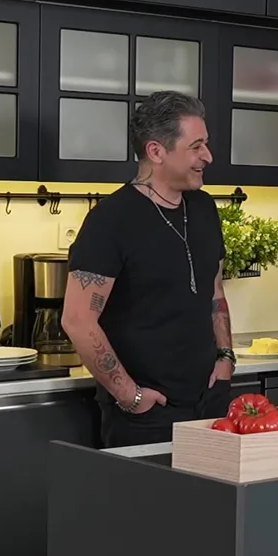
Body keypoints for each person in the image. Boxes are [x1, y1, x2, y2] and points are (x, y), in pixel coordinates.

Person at [62, 91, 237, 448]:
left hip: (211, 403)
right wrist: (131, 396)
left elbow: (215, 292)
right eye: (196, 146)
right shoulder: (111, 220)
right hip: (146, 415)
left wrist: (225, 357)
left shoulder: (204, 209)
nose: (208, 156)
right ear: (156, 151)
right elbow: (77, 320)